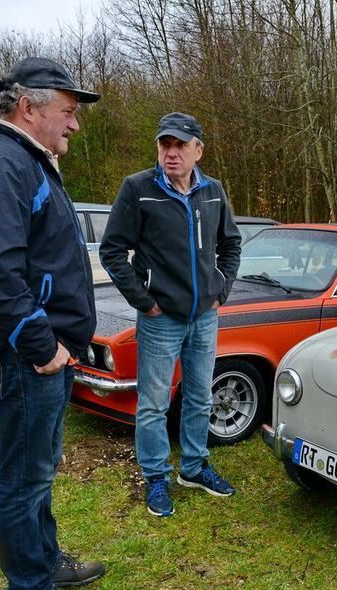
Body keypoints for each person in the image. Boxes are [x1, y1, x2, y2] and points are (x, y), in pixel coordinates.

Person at [0, 57, 104, 590]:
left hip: (42, 351)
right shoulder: (2, 163)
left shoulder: (24, 160)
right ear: (27, 107)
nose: (75, 124)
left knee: (39, 468)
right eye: (67, 111)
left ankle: (44, 558)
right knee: (23, 477)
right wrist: (41, 345)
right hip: (23, 354)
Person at [99, 112, 241, 518]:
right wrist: (145, 301)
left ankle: (194, 467)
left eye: (180, 145)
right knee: (154, 403)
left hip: (204, 317)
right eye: (165, 144)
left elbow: (231, 245)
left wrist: (220, 290)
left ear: (198, 150)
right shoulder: (138, 189)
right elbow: (112, 251)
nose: (171, 152)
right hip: (160, 319)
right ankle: (156, 477)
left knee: (199, 396)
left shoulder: (213, 191)